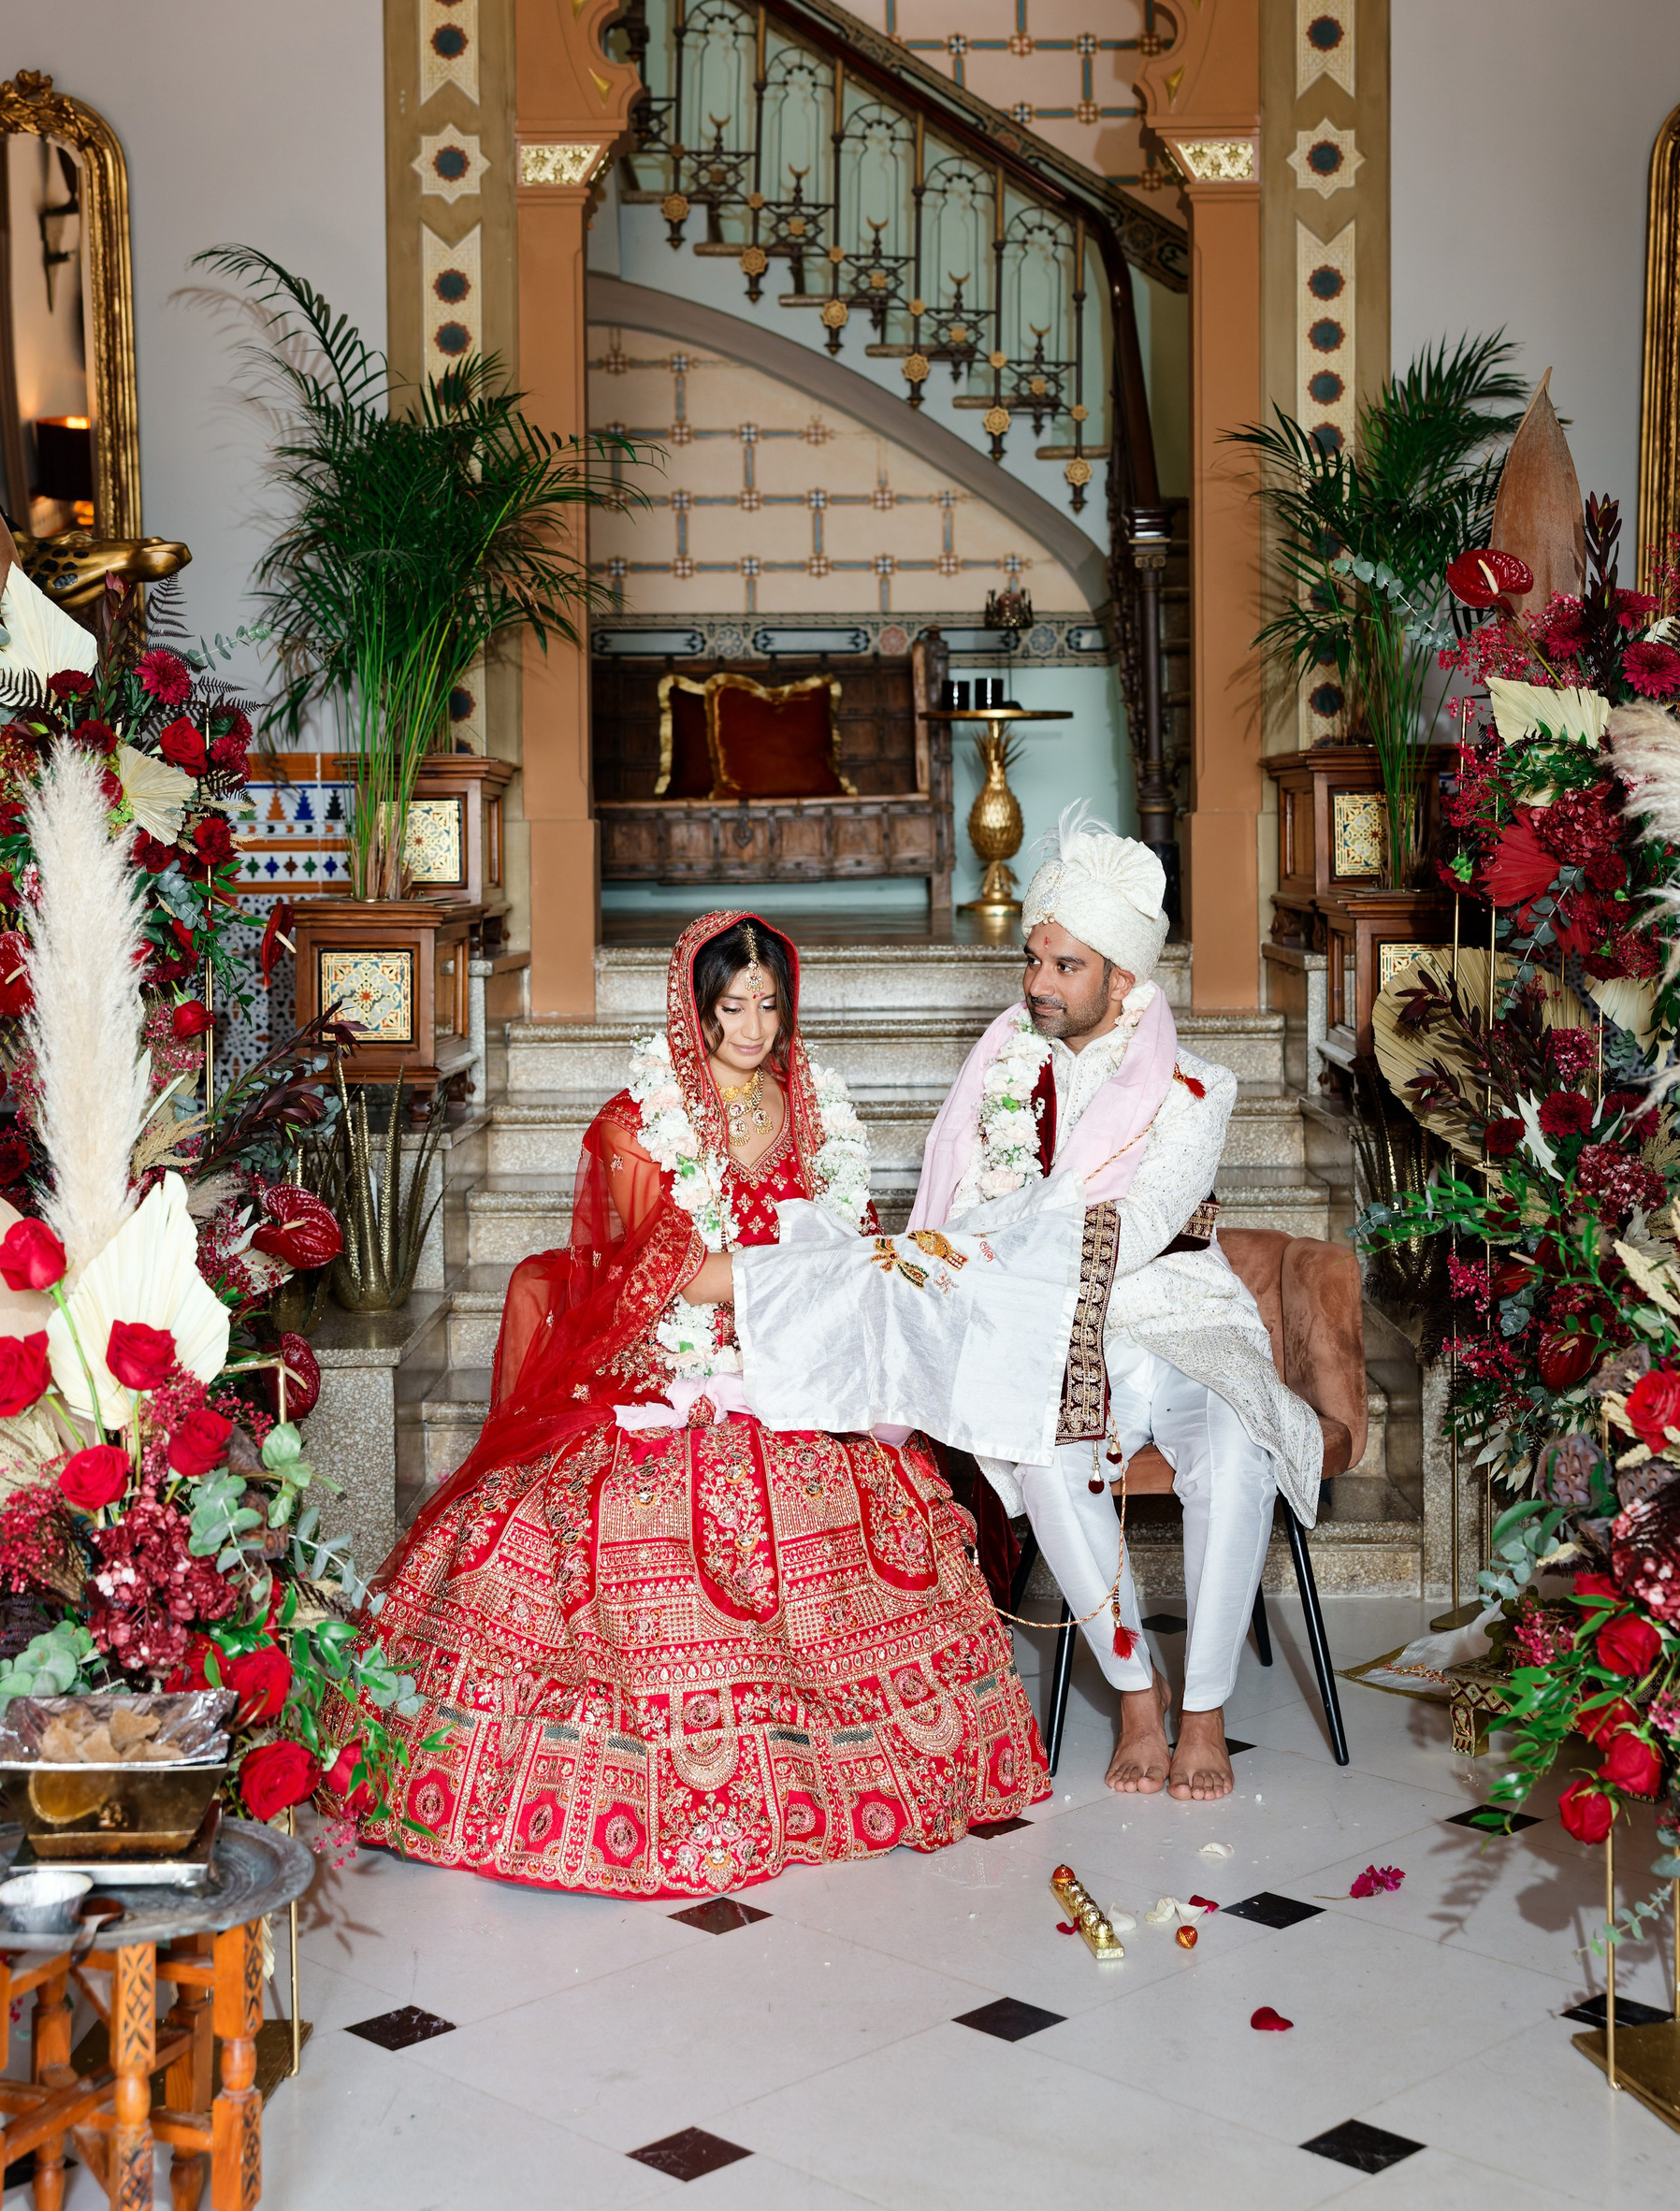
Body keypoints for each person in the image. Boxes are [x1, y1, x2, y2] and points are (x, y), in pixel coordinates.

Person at [360, 909, 1048, 1898]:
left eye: (769, 1004)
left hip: (799, 1353)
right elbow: (666, 1274)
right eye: (733, 1007)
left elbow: (850, 1235)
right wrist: (804, 1274)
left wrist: (846, 1277)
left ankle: (843, 1755)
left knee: (856, 1481)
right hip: (672, 1358)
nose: (756, 1028)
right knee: (656, 1495)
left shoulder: (814, 1104)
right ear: (695, 1008)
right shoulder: (638, 1122)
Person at [910, 808, 1321, 1803]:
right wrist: (1003, 1227)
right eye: (1035, 959)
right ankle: (1137, 1693)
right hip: (1058, 1332)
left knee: (1237, 1446)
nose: (1039, 983)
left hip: (1183, 1320)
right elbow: (960, 1215)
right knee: (1045, 1457)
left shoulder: (1197, 1087)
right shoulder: (1003, 1072)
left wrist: (1014, 1224)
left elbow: (1135, 1228)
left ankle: (1205, 1708)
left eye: (1066, 965)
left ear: (1123, 978)